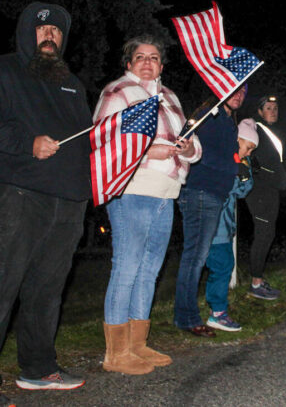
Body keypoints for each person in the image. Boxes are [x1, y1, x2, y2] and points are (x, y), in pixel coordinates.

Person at [93, 35, 201, 375]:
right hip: (133, 189)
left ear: (161, 65)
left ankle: (137, 344)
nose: (146, 62)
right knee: (127, 266)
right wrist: (144, 152)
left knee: (149, 270)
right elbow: (103, 138)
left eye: (153, 57)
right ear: (128, 63)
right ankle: (116, 353)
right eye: (139, 57)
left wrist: (185, 149)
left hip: (167, 192)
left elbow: (194, 146)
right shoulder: (118, 92)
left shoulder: (169, 97)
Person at [0, 2, 91, 393]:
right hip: (22, 194)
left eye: (56, 30)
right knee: (4, 285)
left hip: (69, 201)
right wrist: (26, 143)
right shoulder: (5, 70)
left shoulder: (72, 83)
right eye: (41, 29)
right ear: (26, 32)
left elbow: (89, 138)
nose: (49, 35)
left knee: (47, 289)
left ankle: (37, 368)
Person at [174, 85, 246, 337]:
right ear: (220, 89)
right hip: (200, 192)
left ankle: (187, 314)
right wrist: (229, 166)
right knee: (195, 257)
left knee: (198, 256)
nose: (239, 95)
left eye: (243, 92)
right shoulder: (208, 114)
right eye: (234, 90)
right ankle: (187, 317)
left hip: (214, 194)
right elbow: (186, 144)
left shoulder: (227, 121)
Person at [205, 119, 257, 331]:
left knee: (223, 265)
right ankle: (217, 312)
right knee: (223, 266)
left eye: (252, 150)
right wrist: (235, 174)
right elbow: (223, 186)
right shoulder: (220, 158)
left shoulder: (240, 161)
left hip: (224, 226)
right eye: (248, 147)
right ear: (237, 140)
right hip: (214, 226)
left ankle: (216, 310)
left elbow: (242, 192)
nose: (249, 153)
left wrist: (245, 174)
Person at [246, 95, 286, 300]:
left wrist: (282, 178)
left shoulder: (273, 132)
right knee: (263, 234)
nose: (273, 111)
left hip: (271, 191)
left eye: (275, 108)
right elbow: (253, 160)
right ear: (260, 111)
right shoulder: (254, 128)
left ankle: (259, 279)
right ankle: (255, 284)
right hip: (260, 191)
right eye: (268, 108)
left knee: (268, 234)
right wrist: (273, 176)